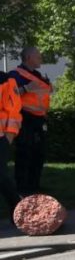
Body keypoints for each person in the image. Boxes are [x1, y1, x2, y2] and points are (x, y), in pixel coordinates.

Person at [8, 47, 51, 194]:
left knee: (38, 153)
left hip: (38, 119)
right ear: (28, 58)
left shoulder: (37, 75)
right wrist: (26, 88)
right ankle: (22, 188)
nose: (41, 59)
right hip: (25, 118)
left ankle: (34, 186)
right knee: (24, 153)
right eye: (38, 56)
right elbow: (9, 95)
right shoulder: (15, 74)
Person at [0, 71, 22, 222]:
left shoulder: (5, 80)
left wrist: (10, 134)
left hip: (1, 137)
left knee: (1, 175)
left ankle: (18, 208)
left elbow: (13, 109)